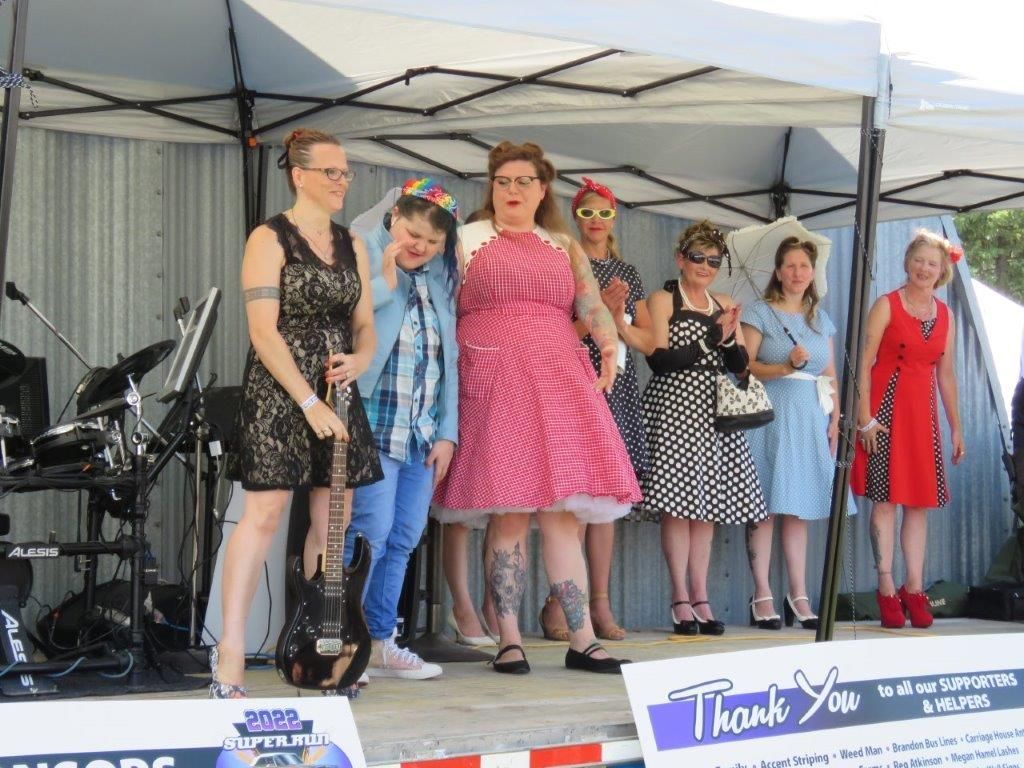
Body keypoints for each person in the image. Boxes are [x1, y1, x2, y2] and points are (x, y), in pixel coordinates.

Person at [433, 141, 640, 675]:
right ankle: (508, 639)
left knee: (563, 516)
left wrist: (610, 343)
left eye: (524, 181)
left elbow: (590, 302)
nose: (513, 190)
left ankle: (582, 638)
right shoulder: (464, 240)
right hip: (493, 378)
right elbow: (436, 307)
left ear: (542, 189)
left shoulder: (562, 245)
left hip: (558, 380)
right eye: (503, 181)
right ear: (491, 188)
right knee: (509, 511)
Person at [215, 129, 382, 698]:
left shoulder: (352, 242)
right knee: (263, 514)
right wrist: (306, 402)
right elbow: (263, 332)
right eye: (332, 172)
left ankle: (317, 656)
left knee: (331, 522)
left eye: (346, 173)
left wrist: (360, 359)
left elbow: (365, 327)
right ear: (299, 175)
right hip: (282, 390)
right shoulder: (269, 237)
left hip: (337, 391)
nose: (342, 182)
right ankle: (230, 656)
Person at [341, 178, 461, 680]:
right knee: (370, 530)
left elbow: (449, 361)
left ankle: (381, 637)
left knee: (406, 535)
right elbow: (354, 324)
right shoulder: (365, 258)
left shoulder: (438, 281)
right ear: (393, 221)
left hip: (420, 433)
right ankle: (345, 640)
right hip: (374, 422)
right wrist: (386, 280)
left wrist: (448, 432)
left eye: (432, 242)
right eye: (413, 234)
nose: (420, 247)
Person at [539, 178, 653, 643]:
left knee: (606, 502)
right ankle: (562, 605)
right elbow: (558, 331)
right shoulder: (566, 263)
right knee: (576, 502)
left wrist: (616, 320)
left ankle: (600, 602)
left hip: (618, 386)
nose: (596, 221)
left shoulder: (629, 272)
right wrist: (597, 314)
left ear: (614, 216)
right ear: (574, 216)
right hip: (575, 383)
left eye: (603, 212)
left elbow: (651, 342)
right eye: (586, 213)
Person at [641, 220, 768, 637]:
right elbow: (659, 361)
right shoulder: (663, 299)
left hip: (713, 412)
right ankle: (679, 596)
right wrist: (710, 340)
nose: (705, 266)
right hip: (675, 406)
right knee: (678, 506)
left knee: (707, 508)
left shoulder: (724, 301)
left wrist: (731, 340)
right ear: (681, 259)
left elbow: (739, 368)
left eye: (714, 261)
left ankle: (701, 596)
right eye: (698, 257)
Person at [851, 230, 965, 629]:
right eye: (918, 260)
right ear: (907, 263)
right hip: (883, 411)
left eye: (932, 263)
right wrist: (864, 418)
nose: (924, 268)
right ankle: (885, 586)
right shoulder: (886, 305)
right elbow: (862, 364)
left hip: (923, 418)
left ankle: (914, 588)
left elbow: (946, 376)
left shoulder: (945, 315)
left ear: (942, 272)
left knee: (918, 504)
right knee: (885, 502)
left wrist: (956, 428)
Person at [742, 237, 841, 631]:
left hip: (811, 414)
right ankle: (762, 593)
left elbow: (830, 372)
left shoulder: (821, 318)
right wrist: (785, 364)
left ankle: (798, 594)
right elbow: (744, 366)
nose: (798, 273)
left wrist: (835, 418)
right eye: (790, 266)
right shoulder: (760, 312)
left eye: (804, 266)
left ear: (812, 273)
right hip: (771, 412)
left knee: (798, 509)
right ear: (778, 272)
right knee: (764, 507)